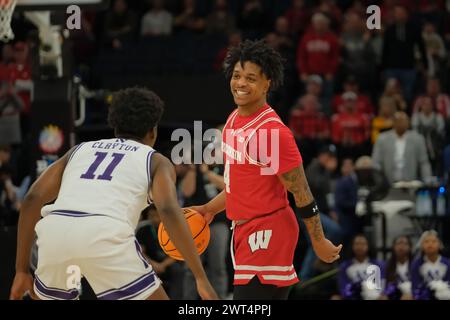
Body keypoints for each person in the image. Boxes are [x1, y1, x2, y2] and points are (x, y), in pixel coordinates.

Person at [9, 87, 218, 300]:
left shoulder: (79, 150)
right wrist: (200, 277)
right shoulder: (156, 161)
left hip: (56, 233)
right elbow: (167, 209)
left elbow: (32, 199)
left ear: (114, 125)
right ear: (153, 131)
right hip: (105, 234)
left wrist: (21, 271)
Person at [192, 39, 342, 300]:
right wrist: (208, 210)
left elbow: (301, 191)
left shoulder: (272, 132)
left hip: (269, 231)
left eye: (250, 78)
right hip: (243, 230)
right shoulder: (232, 121)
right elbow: (239, 188)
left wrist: (318, 240)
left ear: (267, 83)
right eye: (237, 76)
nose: (240, 83)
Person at [372, 111, 432, 184]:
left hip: (411, 183)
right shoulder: (382, 139)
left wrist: (427, 180)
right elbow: (376, 163)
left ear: (408, 122)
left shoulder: (417, 139)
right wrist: (380, 182)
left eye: (404, 121)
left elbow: (424, 162)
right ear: (393, 123)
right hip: (388, 184)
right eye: (399, 121)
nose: (401, 124)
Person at [338, 234, 385, 300]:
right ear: (352, 246)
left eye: (363, 244)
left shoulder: (378, 264)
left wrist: (374, 295)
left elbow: (382, 284)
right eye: (357, 244)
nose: (360, 247)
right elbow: (343, 288)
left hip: (374, 297)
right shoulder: (345, 266)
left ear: (368, 246)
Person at [411, 230, 450, 300]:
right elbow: (415, 286)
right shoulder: (416, 264)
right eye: (426, 242)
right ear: (422, 246)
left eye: (434, 241)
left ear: (440, 245)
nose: (430, 244)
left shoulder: (447, 263)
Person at [383, 235, 413, 300]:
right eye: (399, 243)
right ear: (393, 247)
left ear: (410, 247)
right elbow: (385, 287)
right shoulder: (387, 266)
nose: (401, 246)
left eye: (405, 244)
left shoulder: (415, 265)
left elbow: (419, 287)